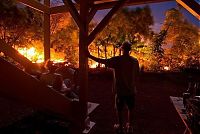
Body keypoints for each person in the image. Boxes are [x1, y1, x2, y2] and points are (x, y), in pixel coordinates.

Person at [87, 41, 139, 133]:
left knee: (119, 109)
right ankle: (129, 126)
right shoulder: (135, 61)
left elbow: (102, 61)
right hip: (131, 90)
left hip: (120, 90)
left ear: (122, 49)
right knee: (131, 108)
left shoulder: (117, 60)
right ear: (130, 50)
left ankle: (120, 127)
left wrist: (90, 56)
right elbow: (137, 74)